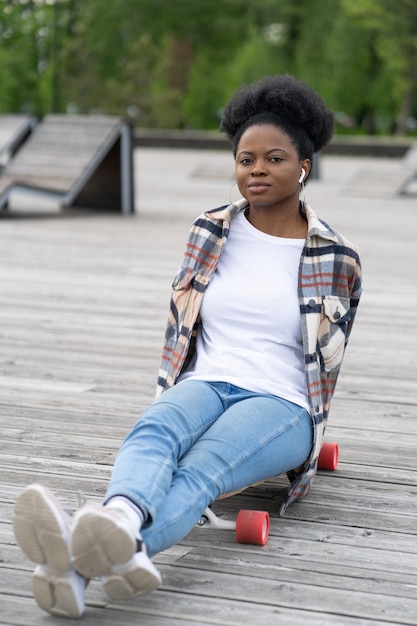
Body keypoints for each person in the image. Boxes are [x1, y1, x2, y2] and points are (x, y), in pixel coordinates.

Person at [13, 74, 362, 618]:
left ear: (304, 166)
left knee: (201, 469)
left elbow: (327, 366)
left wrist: (312, 440)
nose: (257, 170)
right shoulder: (210, 230)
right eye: (246, 160)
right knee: (154, 430)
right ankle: (118, 530)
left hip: (282, 402)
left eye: (273, 158)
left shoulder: (336, 257)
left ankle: (82, 559)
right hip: (207, 378)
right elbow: (184, 321)